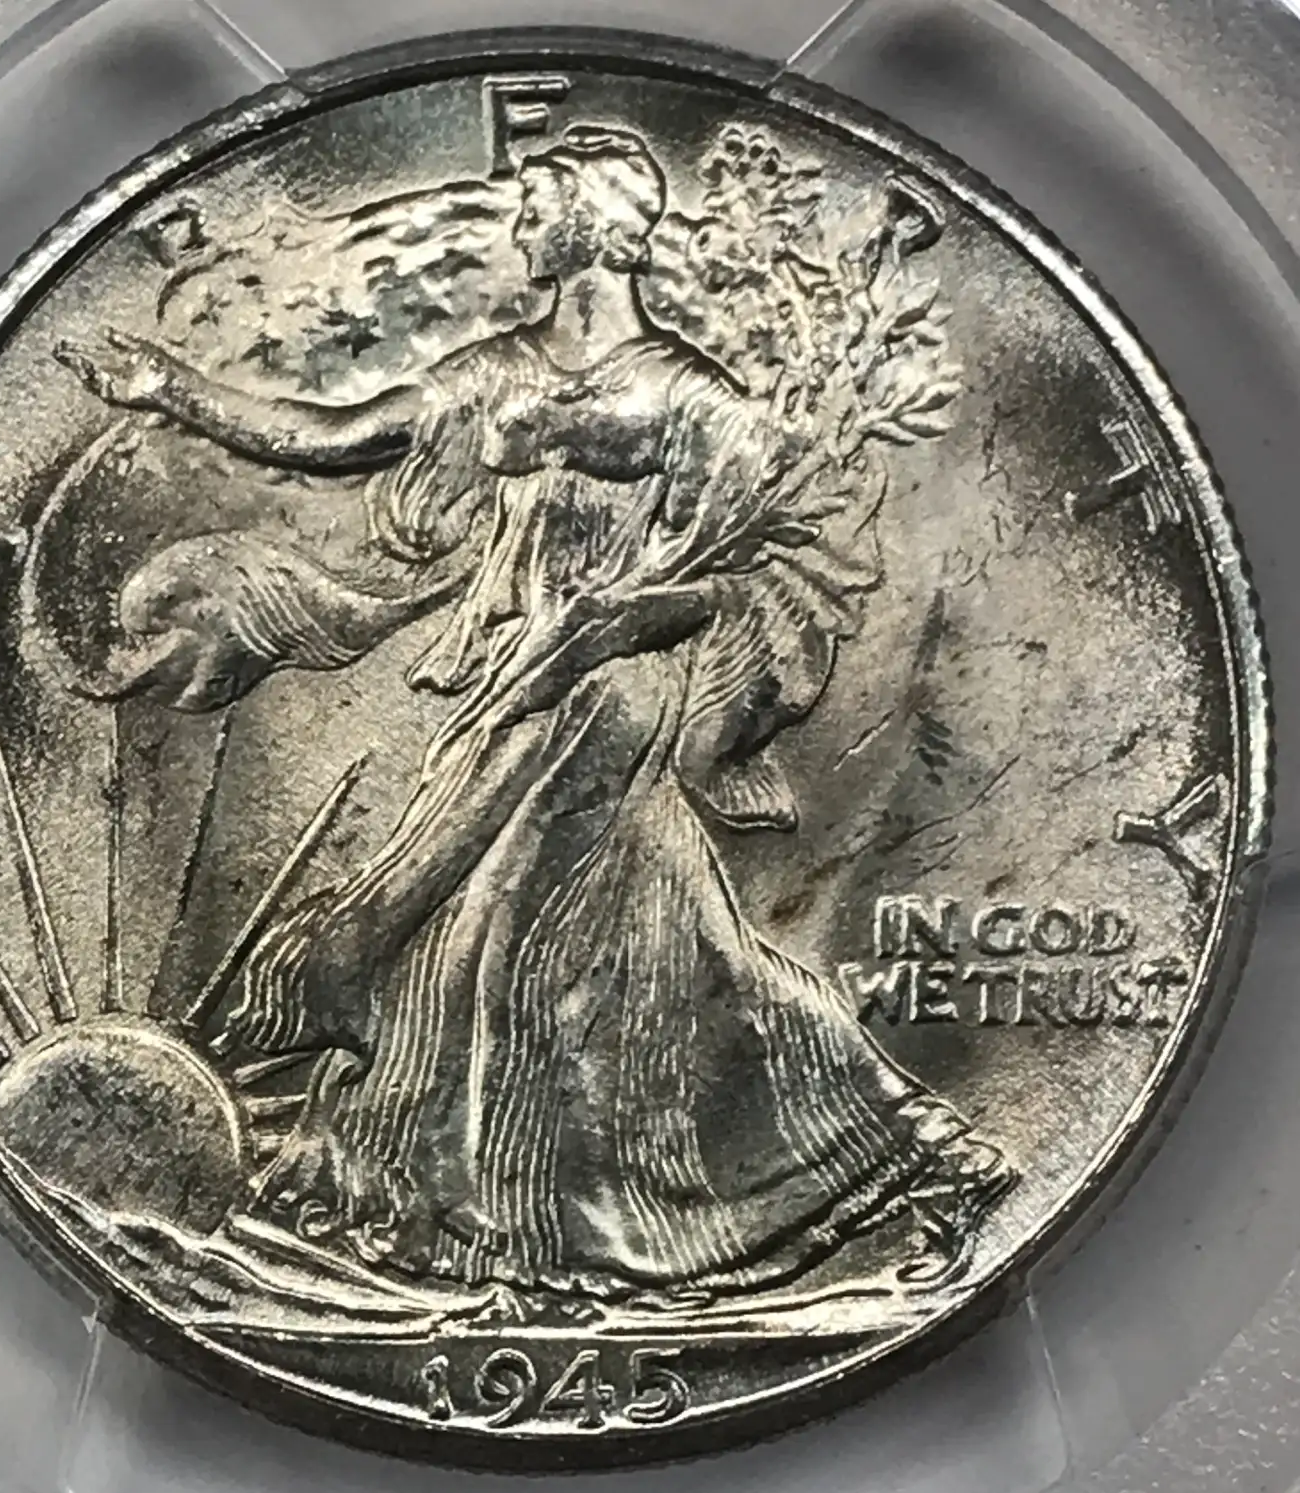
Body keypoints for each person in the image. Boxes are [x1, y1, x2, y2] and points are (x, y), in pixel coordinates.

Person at [58, 124, 1014, 1300]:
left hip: (613, 691)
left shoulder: (692, 397)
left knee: (494, 936)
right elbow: (335, 438)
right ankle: (879, 1152)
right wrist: (176, 392)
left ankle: (509, 1225)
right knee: (637, 941)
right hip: (511, 682)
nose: (521, 220)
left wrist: (628, 618)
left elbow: (769, 570)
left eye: (540, 203)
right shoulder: (494, 372)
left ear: (599, 226)